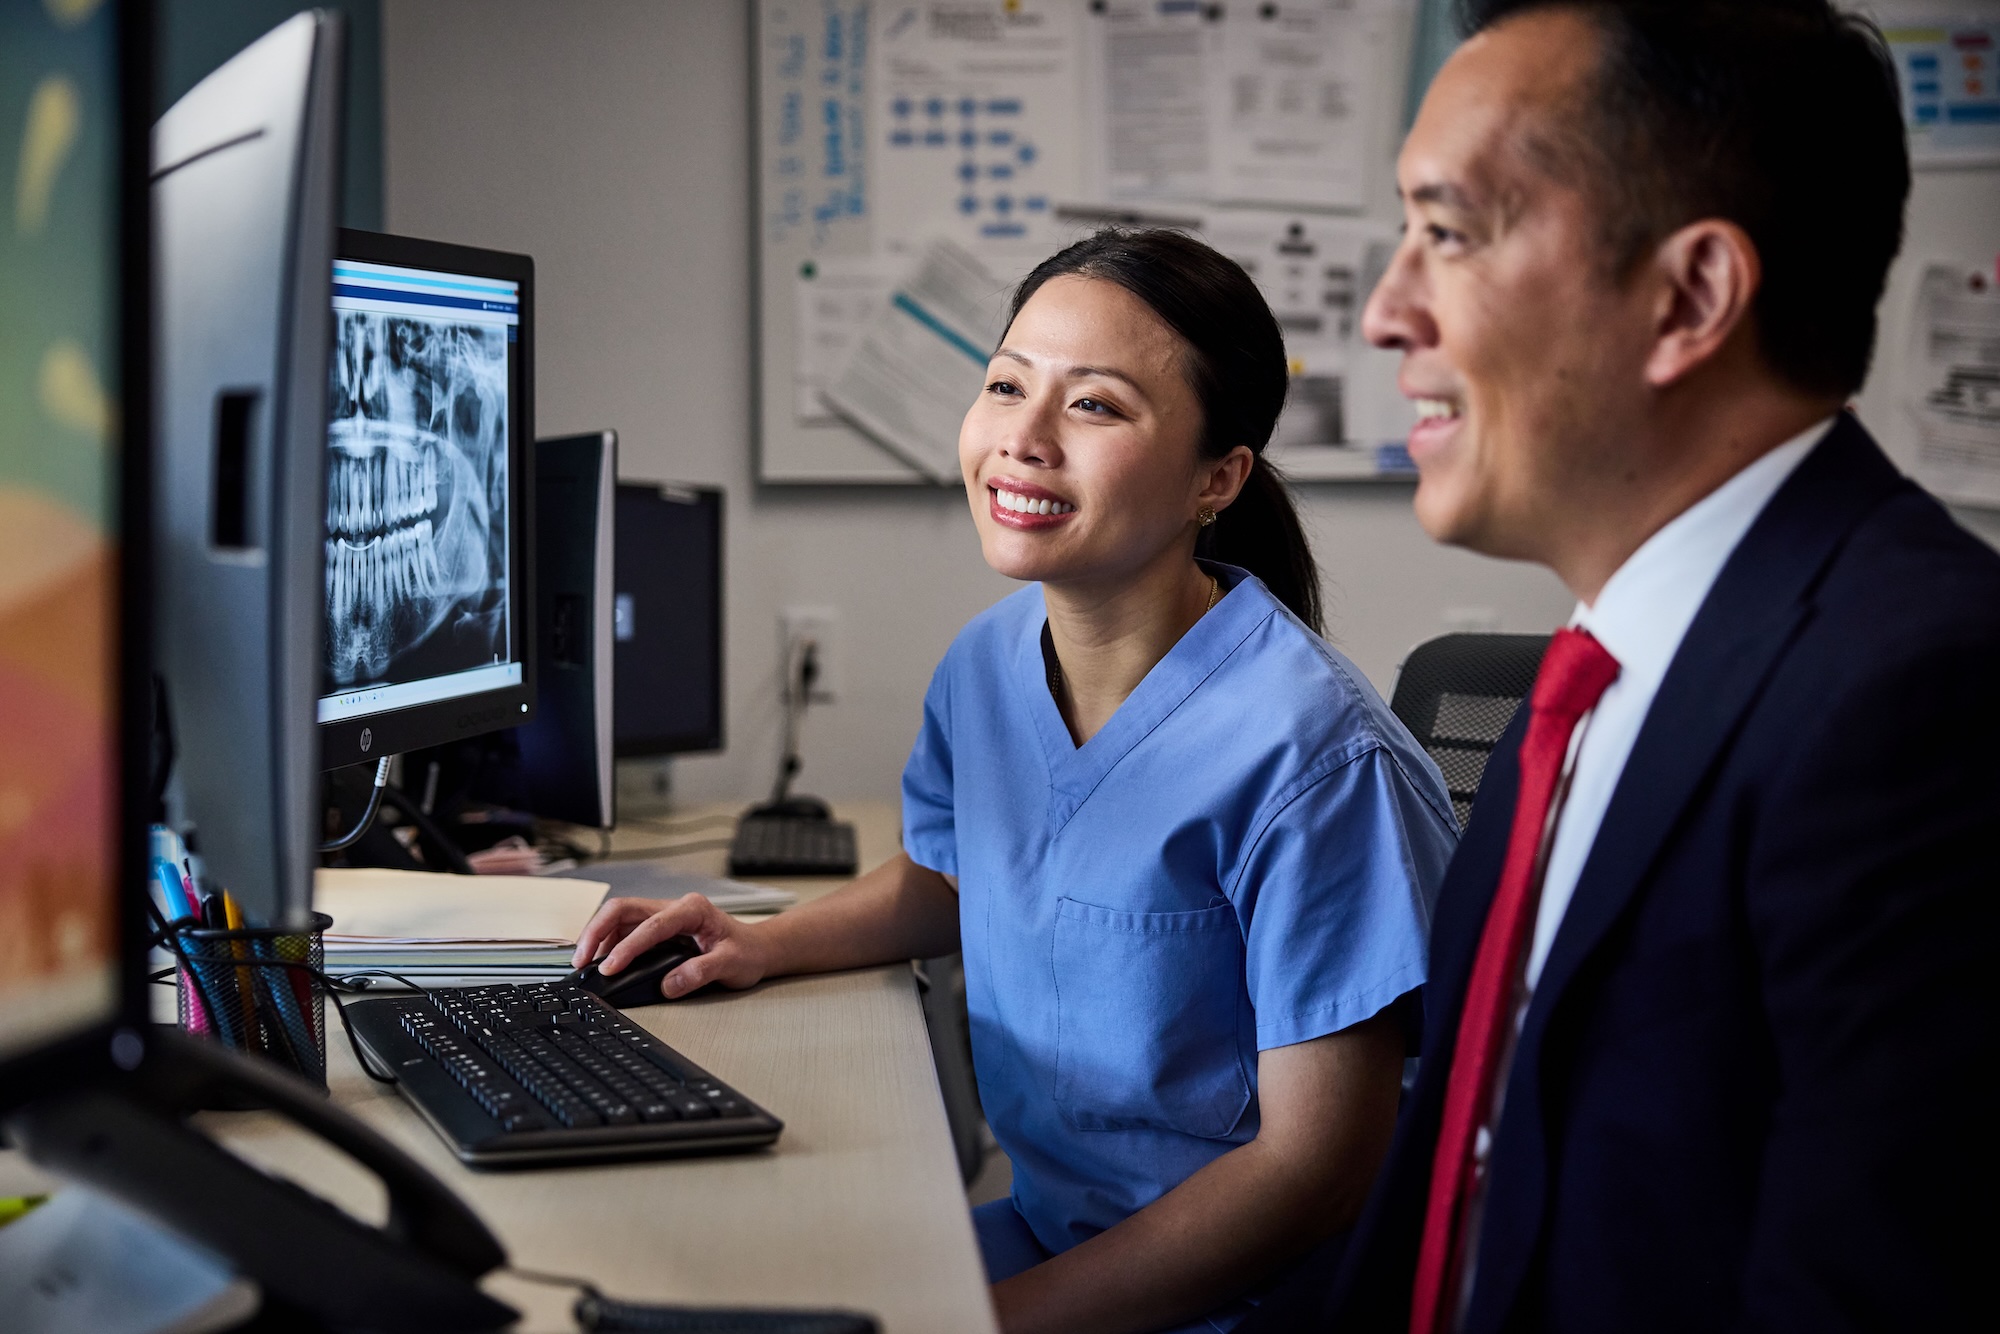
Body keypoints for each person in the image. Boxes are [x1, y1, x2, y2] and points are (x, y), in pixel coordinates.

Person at [1247, 2, 2000, 1331]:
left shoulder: (1926, 696)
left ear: (1690, 296)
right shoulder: (1595, 669)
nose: (1384, 310)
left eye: (1451, 231)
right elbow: (1456, 1187)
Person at [573, 229, 1459, 1333]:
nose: (1021, 439)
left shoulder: (1315, 755)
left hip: (1246, 1295)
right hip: (1051, 1226)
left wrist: (990, 1319)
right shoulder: (987, 664)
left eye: (1093, 406)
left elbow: (1314, 1175)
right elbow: (957, 874)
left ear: (1216, 477)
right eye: (1003, 385)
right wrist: (765, 938)